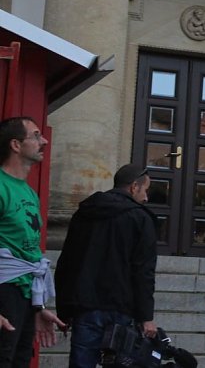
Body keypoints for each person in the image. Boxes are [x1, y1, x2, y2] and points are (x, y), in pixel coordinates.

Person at [55, 164, 158, 368]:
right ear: (134, 187)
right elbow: (143, 272)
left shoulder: (85, 213)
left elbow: (67, 262)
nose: (146, 198)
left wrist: (64, 311)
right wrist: (146, 317)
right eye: (145, 190)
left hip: (85, 306)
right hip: (121, 307)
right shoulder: (140, 218)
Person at [0, 116, 66, 367]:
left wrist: (36, 308)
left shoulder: (28, 191)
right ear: (15, 145)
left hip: (25, 293)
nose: (45, 141)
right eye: (36, 136)